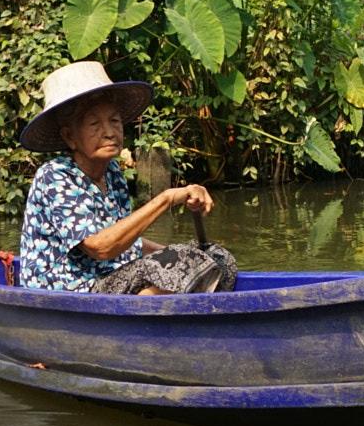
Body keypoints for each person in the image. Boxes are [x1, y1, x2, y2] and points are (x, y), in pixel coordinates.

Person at [16, 61, 223, 294]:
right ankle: (142, 322)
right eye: (95, 124)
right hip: (69, 292)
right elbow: (100, 247)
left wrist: (184, 256)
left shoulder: (112, 173)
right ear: (70, 136)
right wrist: (166, 198)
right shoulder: (55, 176)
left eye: (114, 121)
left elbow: (125, 241)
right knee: (182, 265)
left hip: (108, 280)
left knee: (216, 261)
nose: (109, 132)